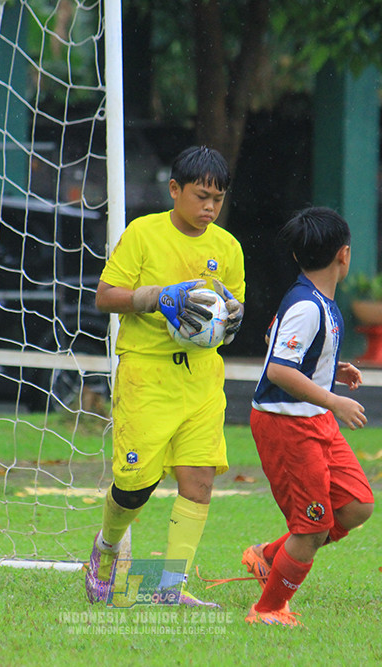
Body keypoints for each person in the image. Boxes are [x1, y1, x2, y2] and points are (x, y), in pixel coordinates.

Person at [85, 146, 245, 607]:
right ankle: (107, 548)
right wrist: (156, 296)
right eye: (200, 196)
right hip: (147, 376)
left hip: (201, 380)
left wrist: (232, 318)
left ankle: (169, 588)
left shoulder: (228, 248)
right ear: (174, 190)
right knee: (135, 487)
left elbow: (230, 311)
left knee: (199, 481)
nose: (209, 208)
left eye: (217, 198)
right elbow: (105, 296)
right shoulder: (143, 234)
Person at [241, 206, 374, 627]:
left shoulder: (316, 300)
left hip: (314, 419)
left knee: (355, 506)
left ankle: (268, 556)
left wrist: (329, 370)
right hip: (287, 423)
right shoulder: (308, 305)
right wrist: (334, 399)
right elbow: (279, 368)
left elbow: (276, 343)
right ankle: (267, 610)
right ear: (345, 255)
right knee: (313, 527)